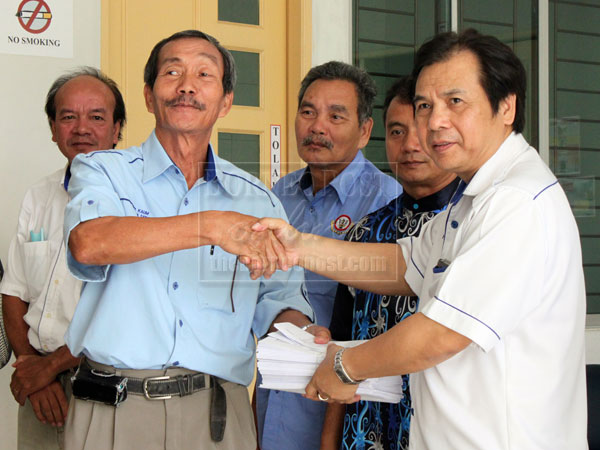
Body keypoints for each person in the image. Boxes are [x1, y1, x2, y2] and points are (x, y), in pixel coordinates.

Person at [255, 29, 587, 449]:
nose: (434, 122)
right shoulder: (475, 198)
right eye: (425, 105)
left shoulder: (516, 202)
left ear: (506, 107)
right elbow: (399, 265)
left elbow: (441, 334)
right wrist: (298, 245)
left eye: (455, 102)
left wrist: (344, 367)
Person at [62, 30, 323, 450]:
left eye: (204, 73)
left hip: (217, 415)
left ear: (225, 102)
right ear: (149, 96)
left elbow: (278, 301)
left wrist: (303, 334)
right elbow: (89, 243)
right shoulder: (104, 170)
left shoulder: (258, 200)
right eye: (172, 72)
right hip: (115, 412)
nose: (187, 84)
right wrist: (212, 225)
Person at [256, 61, 401, 450]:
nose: (317, 127)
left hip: (343, 404)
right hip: (274, 395)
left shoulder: (386, 203)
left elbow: (378, 324)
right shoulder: (277, 197)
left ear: (365, 130)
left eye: (336, 115)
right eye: (308, 112)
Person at [322, 76, 459, 450]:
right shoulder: (363, 233)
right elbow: (340, 341)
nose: (411, 145)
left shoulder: (470, 227)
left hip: (440, 433)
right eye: (397, 131)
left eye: (421, 130)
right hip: (364, 433)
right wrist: (329, 440)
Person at [0, 67, 126, 450]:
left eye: (97, 117)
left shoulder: (138, 204)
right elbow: (14, 289)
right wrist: (30, 367)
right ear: (53, 128)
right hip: (40, 388)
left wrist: (49, 367)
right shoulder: (38, 196)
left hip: (110, 388)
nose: (81, 128)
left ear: (118, 128)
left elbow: (127, 310)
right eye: (68, 117)